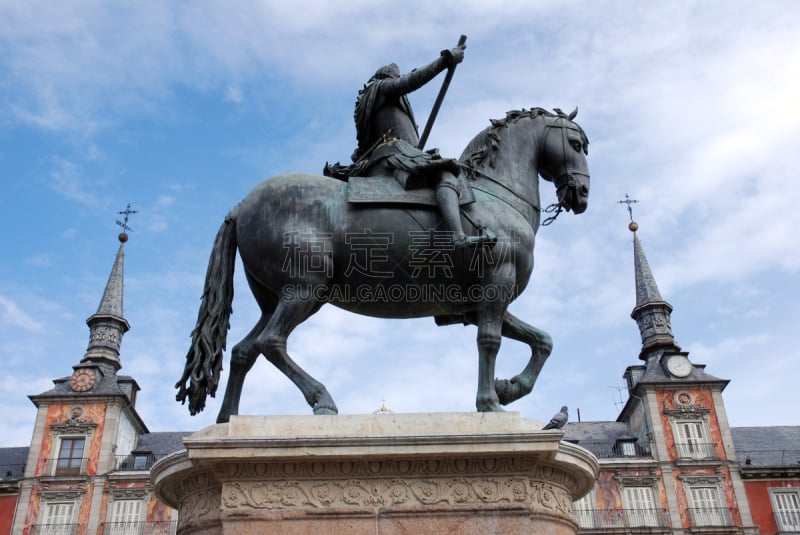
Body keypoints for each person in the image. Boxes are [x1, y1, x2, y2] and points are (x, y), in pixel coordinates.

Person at [349, 44, 492, 249]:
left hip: (387, 157)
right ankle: (457, 236)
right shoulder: (381, 88)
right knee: (445, 173)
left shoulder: (370, 105)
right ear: (387, 76)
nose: (397, 80)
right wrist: (445, 60)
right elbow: (411, 81)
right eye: (395, 76)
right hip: (393, 157)